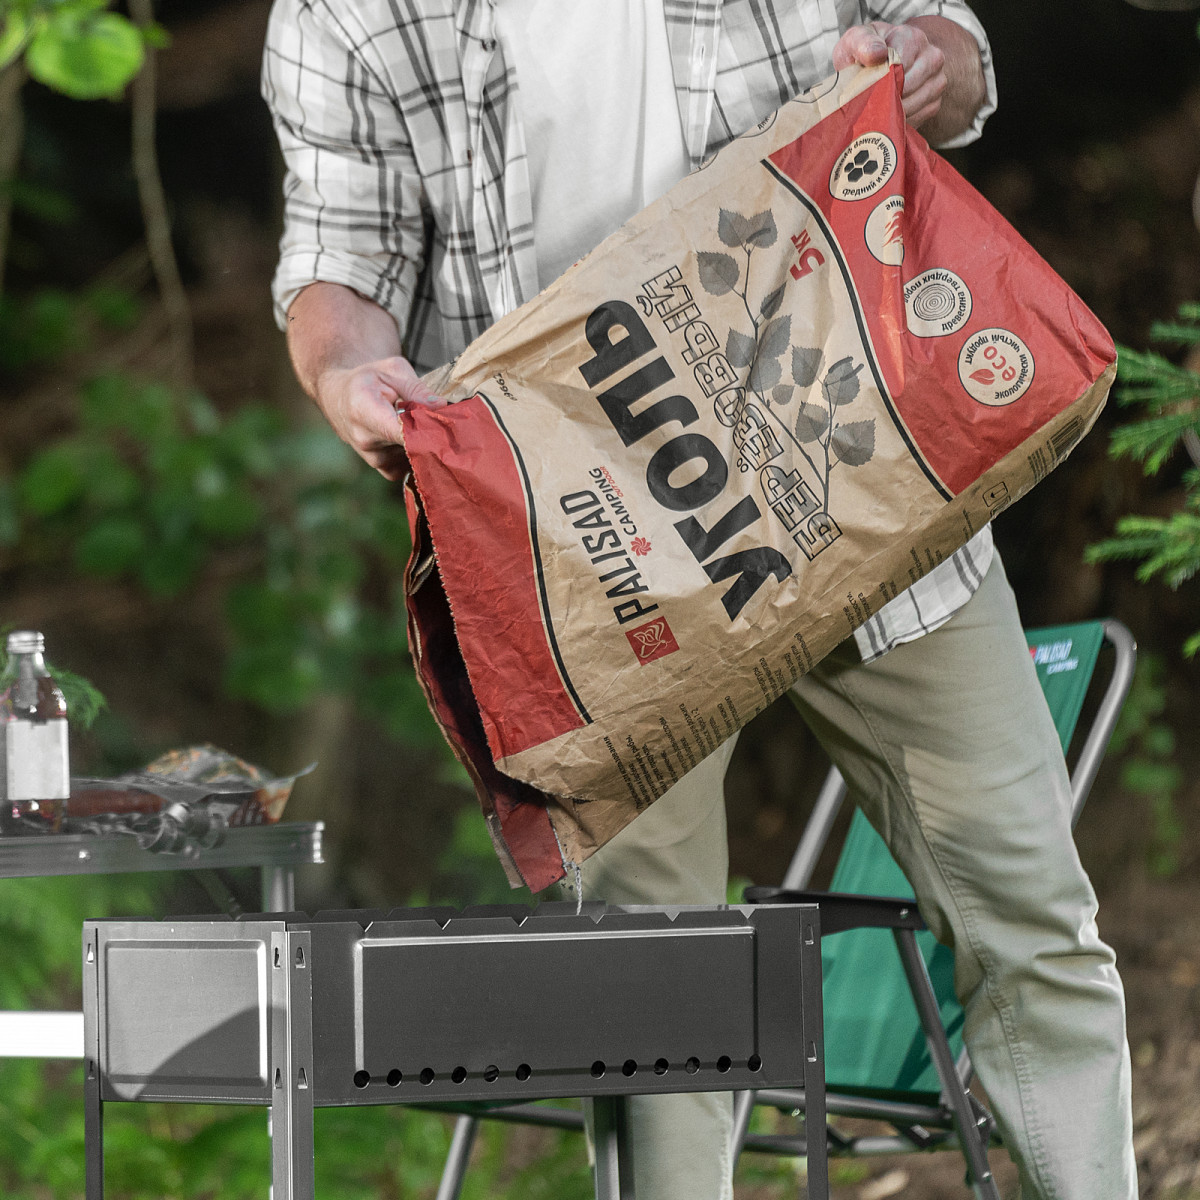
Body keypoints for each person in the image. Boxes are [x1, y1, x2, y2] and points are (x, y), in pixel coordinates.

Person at [262, 4, 1137, 1198]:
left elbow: (953, 44)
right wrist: (348, 373)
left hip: (855, 458)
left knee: (1029, 915)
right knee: (657, 983)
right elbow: (341, 255)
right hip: (588, 535)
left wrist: (932, 59)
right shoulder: (343, 12)